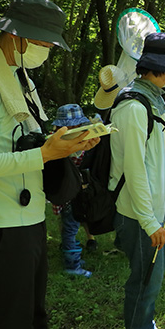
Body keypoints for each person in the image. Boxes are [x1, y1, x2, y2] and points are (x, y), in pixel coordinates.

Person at [0, 0, 99, 329]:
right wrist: (44, 154)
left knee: (33, 322)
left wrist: (71, 143)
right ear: (17, 36)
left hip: (29, 220)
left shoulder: (20, 81)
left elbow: (29, 142)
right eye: (44, 43)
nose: (45, 51)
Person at [110, 32, 165, 329]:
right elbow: (135, 171)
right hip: (137, 213)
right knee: (144, 283)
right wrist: (149, 221)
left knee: (150, 280)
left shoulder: (154, 101)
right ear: (157, 69)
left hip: (153, 212)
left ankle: (145, 327)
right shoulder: (134, 107)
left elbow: (161, 164)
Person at [51, 103, 94, 277]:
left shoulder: (57, 141)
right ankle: (72, 264)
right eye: (73, 126)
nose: (77, 129)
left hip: (66, 191)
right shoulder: (67, 144)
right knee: (70, 227)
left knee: (70, 226)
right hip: (69, 193)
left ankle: (72, 256)